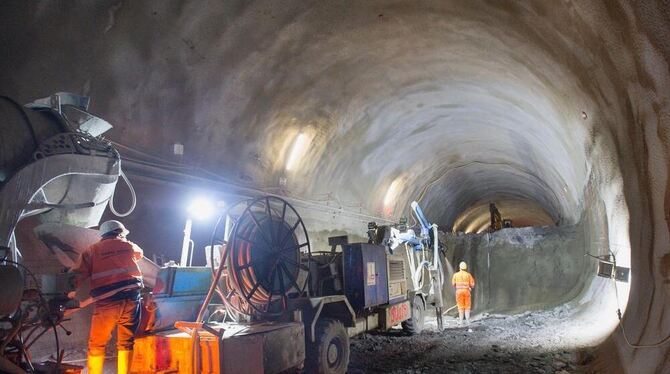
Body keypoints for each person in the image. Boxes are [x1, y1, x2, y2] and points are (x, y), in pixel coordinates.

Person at [71, 220, 144, 374]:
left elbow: (78, 274)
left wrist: (69, 293)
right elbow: (139, 254)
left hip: (108, 302)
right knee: (126, 343)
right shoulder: (129, 246)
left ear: (102, 235)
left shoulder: (92, 250)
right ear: (120, 232)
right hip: (132, 299)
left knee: (97, 344)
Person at [452, 261, 475, 330]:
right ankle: (468, 322)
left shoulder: (455, 275)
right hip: (466, 292)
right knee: (467, 307)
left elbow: (453, 284)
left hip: (459, 292)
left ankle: (461, 323)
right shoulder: (468, 275)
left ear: (459, 267)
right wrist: (469, 287)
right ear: (465, 268)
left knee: (460, 307)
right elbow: (472, 284)